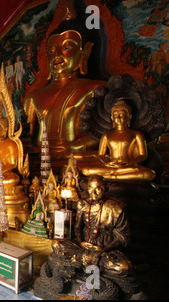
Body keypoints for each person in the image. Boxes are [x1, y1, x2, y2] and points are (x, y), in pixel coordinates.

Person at [23, 0, 107, 159]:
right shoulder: (33, 97)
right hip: (41, 161)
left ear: (85, 51)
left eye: (67, 47)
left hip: (76, 159)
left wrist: (76, 146)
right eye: (52, 51)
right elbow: (27, 139)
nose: (58, 55)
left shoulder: (96, 88)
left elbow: (106, 136)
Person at [81, 100, 156, 181]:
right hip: (111, 166)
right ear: (112, 117)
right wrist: (107, 163)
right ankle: (115, 175)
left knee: (149, 174)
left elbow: (143, 155)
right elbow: (100, 155)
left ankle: (110, 177)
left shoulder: (137, 134)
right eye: (115, 115)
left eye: (121, 114)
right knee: (86, 170)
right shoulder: (107, 135)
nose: (118, 117)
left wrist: (130, 163)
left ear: (129, 116)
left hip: (128, 167)